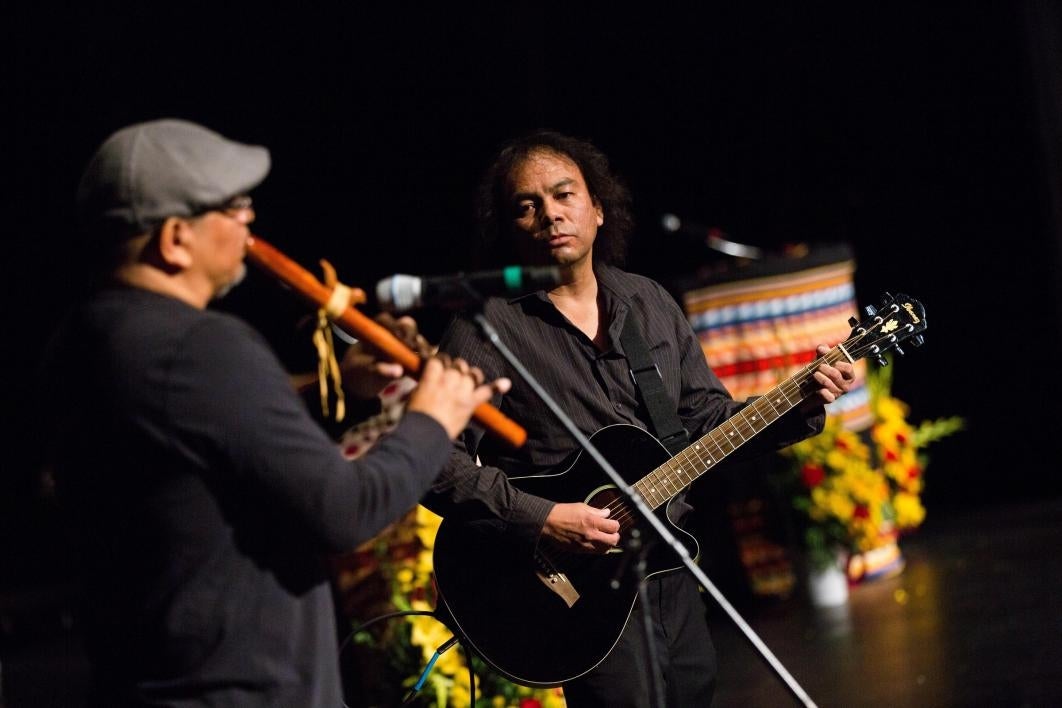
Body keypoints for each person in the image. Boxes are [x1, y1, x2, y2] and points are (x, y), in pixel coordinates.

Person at [41, 118, 509, 707]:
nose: (249, 220)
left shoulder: (84, 341)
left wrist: (332, 383)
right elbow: (346, 508)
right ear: (175, 239)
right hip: (243, 687)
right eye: (233, 207)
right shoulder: (205, 346)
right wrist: (434, 416)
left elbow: (199, 421)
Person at [422, 130, 854, 707]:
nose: (550, 214)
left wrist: (800, 403)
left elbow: (707, 422)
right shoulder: (486, 329)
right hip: (578, 592)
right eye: (527, 206)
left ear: (598, 208)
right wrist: (543, 518)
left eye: (563, 195)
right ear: (509, 226)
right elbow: (430, 461)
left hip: (670, 567)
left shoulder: (648, 303)